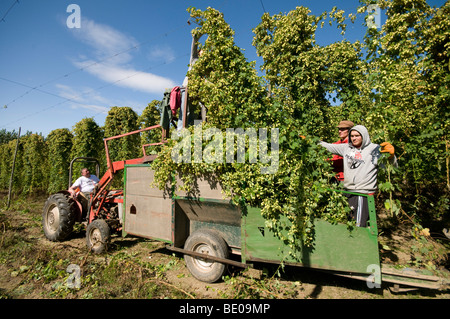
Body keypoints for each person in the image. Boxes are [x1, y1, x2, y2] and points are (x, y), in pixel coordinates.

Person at [318, 125, 397, 227]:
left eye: (357, 136)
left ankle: (359, 242)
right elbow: (328, 146)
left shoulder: (375, 149)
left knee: (358, 225)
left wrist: (391, 157)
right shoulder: (346, 148)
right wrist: (311, 141)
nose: (354, 138)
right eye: (352, 136)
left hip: (363, 193)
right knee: (349, 223)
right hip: (348, 191)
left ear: (364, 136)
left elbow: (389, 167)